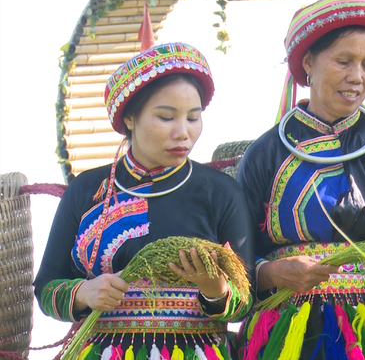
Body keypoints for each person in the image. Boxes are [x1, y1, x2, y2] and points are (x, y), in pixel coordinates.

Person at [236, 0, 365, 360]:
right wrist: (273, 273)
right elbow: (238, 260)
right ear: (309, 62)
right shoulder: (265, 154)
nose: (357, 77)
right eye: (343, 61)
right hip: (291, 330)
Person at [34, 43, 254, 359]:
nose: (183, 133)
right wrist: (84, 292)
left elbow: (245, 299)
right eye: (166, 117)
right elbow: (45, 287)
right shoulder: (86, 190)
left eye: (193, 118)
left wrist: (215, 291)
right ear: (130, 119)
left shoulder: (221, 192)